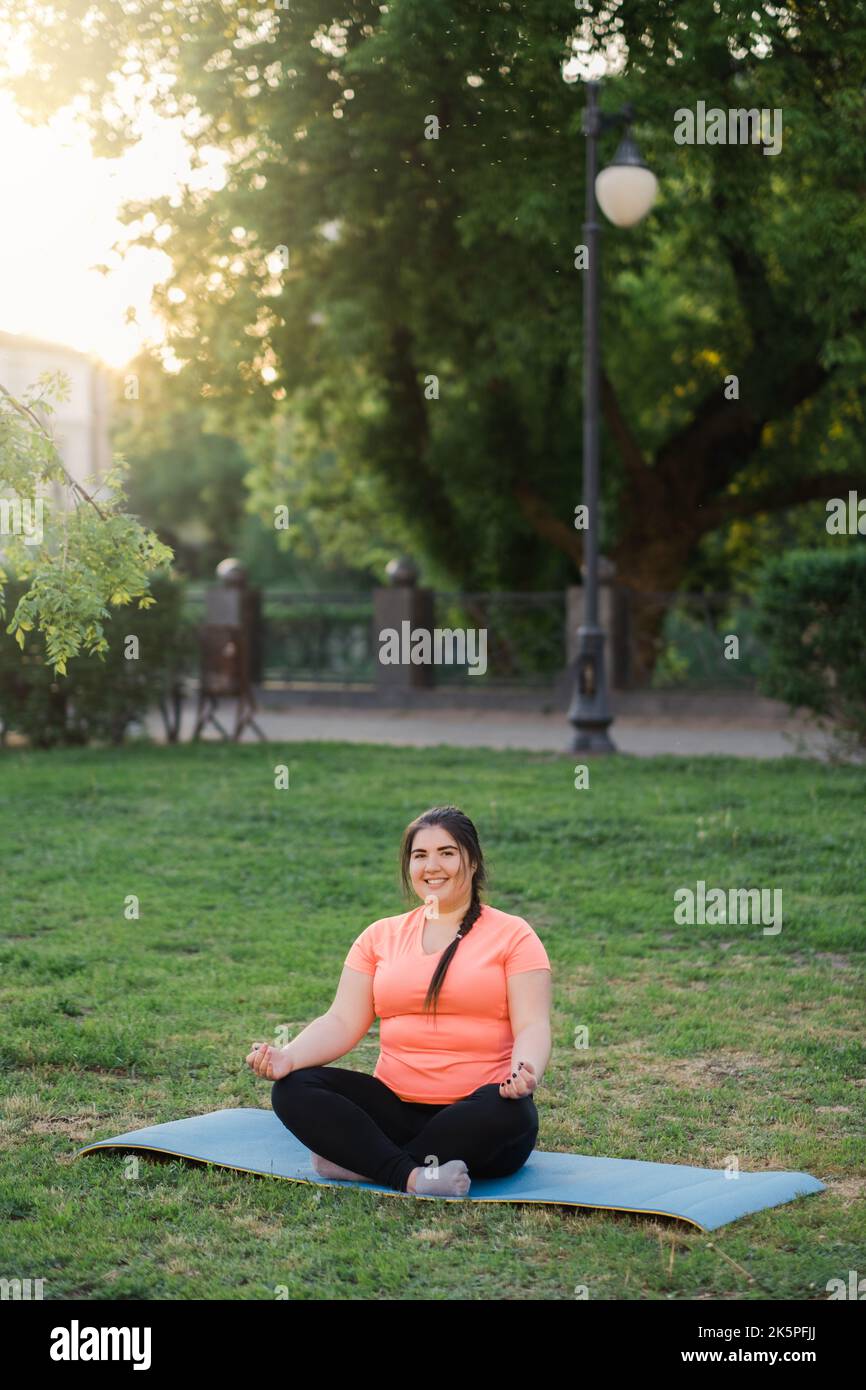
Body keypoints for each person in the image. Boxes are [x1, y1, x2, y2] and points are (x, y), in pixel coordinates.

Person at [245, 805, 552, 1198]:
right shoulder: (380, 936)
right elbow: (341, 1020)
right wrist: (287, 1057)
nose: (432, 866)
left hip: (476, 1114)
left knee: (510, 1112)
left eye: (447, 852)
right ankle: (411, 1176)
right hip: (394, 1109)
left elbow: (532, 1024)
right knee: (293, 1087)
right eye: (419, 855)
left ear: (472, 861)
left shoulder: (514, 936)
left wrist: (524, 1071)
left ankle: (359, 1162)